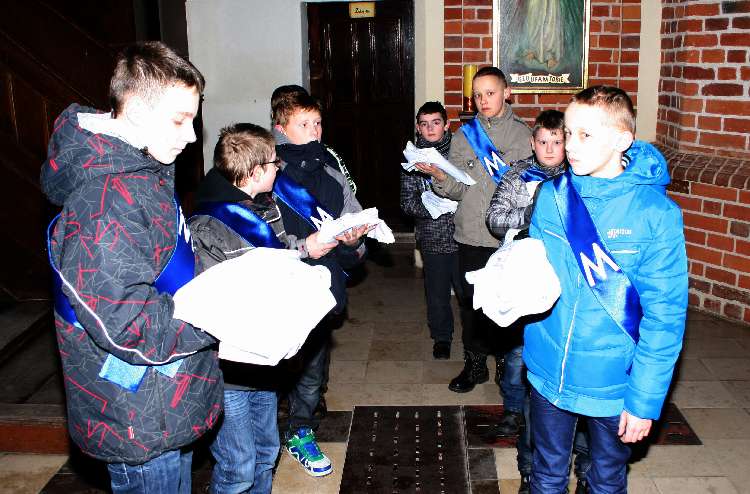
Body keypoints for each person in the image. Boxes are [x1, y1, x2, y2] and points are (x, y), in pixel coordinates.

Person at [40, 41, 223, 493]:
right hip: (138, 413)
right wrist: (218, 316)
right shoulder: (106, 201)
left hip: (162, 400)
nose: (191, 136)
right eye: (179, 120)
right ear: (137, 110)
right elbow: (125, 323)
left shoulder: (141, 170)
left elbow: (161, 258)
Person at [524, 86, 688, 493]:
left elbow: (665, 316)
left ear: (622, 140)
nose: (569, 146)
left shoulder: (656, 214)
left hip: (615, 382)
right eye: (568, 132)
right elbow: (534, 276)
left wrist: (644, 400)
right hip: (550, 370)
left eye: (585, 135)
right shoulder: (552, 196)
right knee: (545, 475)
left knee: (606, 479)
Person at [484, 110, 590, 494]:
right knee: (522, 362)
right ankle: (527, 454)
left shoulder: (581, 176)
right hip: (527, 281)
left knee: (575, 375)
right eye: (542, 142)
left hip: (571, 284)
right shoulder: (518, 175)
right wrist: (535, 209)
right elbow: (495, 220)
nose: (549, 149)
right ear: (532, 143)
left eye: (556, 142)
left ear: (567, 143)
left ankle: (584, 464)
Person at [416, 66, 531, 394]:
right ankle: (475, 364)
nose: (483, 100)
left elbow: (530, 190)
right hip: (470, 233)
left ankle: (507, 367)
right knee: (471, 304)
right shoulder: (465, 136)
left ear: (507, 93)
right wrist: (440, 177)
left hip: (507, 237)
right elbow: (458, 188)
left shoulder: (524, 137)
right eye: (478, 95)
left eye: (490, 93)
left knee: (506, 304)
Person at [189, 124, 291, 493]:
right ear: (254, 173)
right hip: (227, 367)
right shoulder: (208, 226)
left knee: (266, 451)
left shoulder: (266, 207)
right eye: (274, 162)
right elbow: (208, 300)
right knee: (238, 466)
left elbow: (281, 262)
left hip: (262, 361)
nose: (279, 167)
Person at [272, 91, 369, 477]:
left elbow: (351, 213)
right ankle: (266, 433)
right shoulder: (267, 169)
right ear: (280, 129)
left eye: (317, 123)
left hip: (322, 284)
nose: (314, 131)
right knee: (274, 364)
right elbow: (256, 235)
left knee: (313, 365)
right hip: (280, 284)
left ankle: (300, 429)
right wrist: (301, 247)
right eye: (304, 125)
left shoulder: (330, 165)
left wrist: (355, 241)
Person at [400, 101, 462, 359]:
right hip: (432, 235)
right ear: (418, 128)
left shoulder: (460, 152)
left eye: (436, 122)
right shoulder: (413, 159)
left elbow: (473, 188)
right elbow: (407, 201)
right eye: (424, 124)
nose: (430, 128)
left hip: (463, 234)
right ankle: (442, 337)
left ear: (446, 125)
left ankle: (475, 341)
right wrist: (433, 209)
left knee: (468, 293)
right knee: (437, 293)